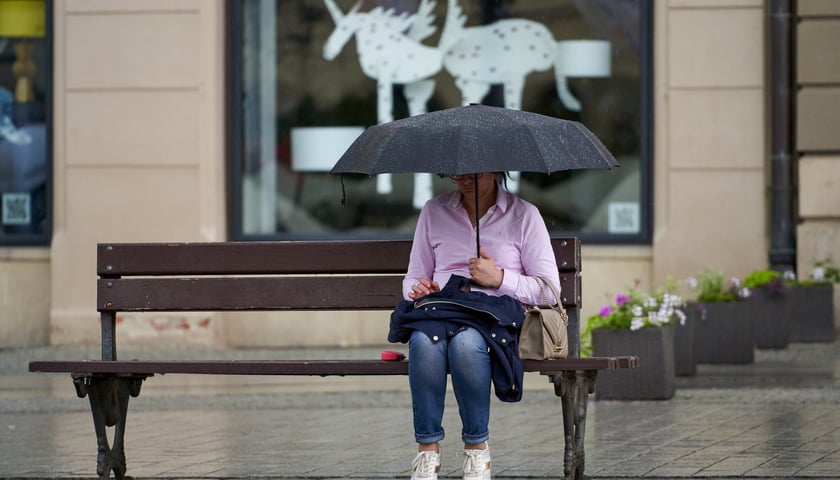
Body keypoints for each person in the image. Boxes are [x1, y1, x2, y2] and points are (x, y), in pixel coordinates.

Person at [397, 172, 561, 480]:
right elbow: (413, 277)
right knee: (422, 341)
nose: (463, 178)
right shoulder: (434, 211)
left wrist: (499, 278)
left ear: (496, 168)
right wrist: (419, 290)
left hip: (493, 320)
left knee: (466, 344)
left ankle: (476, 448)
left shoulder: (524, 215)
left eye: (474, 171)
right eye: (455, 172)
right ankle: (426, 452)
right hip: (442, 311)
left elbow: (550, 291)